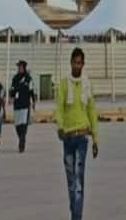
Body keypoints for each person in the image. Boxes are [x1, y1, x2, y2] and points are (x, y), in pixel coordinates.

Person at [55, 48, 98, 220]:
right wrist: (60, 127)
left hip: (82, 138)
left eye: (80, 63)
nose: (77, 66)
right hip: (68, 138)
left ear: (83, 64)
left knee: (79, 181)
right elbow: (59, 108)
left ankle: (76, 217)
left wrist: (96, 138)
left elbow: (92, 112)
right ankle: (75, 210)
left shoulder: (87, 84)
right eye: (75, 62)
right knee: (71, 181)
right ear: (71, 62)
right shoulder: (64, 84)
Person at [10, 60, 35, 153]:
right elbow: (12, 89)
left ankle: (22, 142)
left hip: (25, 105)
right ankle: (21, 137)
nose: (20, 68)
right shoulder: (15, 78)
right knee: (17, 126)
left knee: (23, 125)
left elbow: (31, 91)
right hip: (17, 105)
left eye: (21, 67)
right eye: (19, 67)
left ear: (24, 67)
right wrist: (11, 97)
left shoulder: (28, 79)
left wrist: (33, 102)